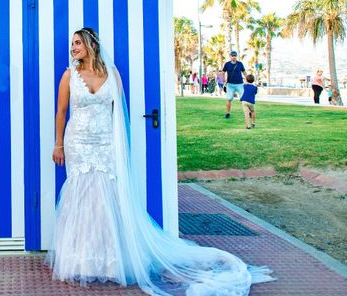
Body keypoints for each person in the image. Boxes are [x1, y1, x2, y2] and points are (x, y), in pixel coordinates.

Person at [46, 27, 273, 295]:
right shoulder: (68, 76)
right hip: (79, 144)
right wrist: (58, 143)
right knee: (82, 196)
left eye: (77, 43)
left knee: (107, 197)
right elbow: (61, 112)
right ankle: (80, 259)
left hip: (106, 144)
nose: (72, 48)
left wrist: (120, 148)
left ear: (91, 45)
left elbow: (119, 116)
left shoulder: (112, 74)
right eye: (72, 44)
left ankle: (109, 262)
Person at [222, 51, 247, 118]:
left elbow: (244, 72)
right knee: (229, 99)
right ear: (230, 56)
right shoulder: (227, 64)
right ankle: (228, 113)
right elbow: (223, 72)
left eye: (235, 56)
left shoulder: (240, 64)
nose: (234, 57)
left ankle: (248, 112)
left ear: (236, 56)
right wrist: (223, 80)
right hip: (230, 84)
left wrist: (247, 80)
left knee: (244, 99)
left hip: (240, 84)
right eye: (232, 56)